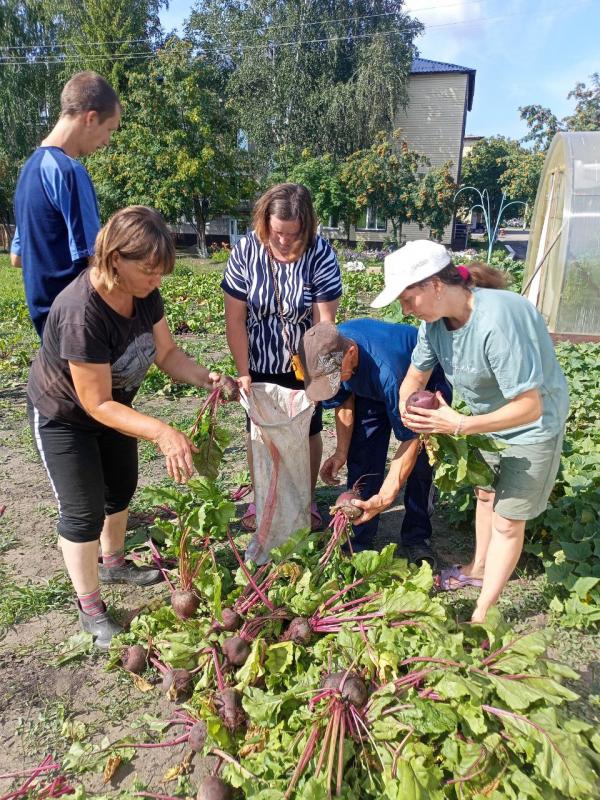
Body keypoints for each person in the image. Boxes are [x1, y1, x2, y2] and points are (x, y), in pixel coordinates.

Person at [27, 206, 226, 649]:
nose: (157, 280)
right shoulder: (82, 312)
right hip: (66, 418)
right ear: (116, 258)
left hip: (115, 407)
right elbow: (94, 402)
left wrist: (207, 377)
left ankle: (114, 562)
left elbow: (167, 353)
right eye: (149, 270)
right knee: (83, 512)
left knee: (121, 487)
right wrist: (160, 430)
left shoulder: (143, 294)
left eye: (161, 271)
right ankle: (91, 609)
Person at [369, 239, 569, 623]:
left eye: (408, 298)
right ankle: (478, 568)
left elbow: (530, 406)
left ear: (435, 286)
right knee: (485, 495)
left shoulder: (497, 321)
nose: (405, 308)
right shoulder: (433, 327)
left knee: (508, 520)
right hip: (483, 422)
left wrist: (458, 424)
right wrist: (407, 408)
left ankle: (483, 612)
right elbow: (415, 377)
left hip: (532, 427)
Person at [221, 183, 342, 531]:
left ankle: (305, 499)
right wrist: (243, 371)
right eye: (277, 233)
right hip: (258, 357)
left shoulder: (319, 253)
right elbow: (235, 319)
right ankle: (263, 500)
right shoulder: (245, 251)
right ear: (264, 223)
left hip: (304, 358)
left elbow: (324, 323)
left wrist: (318, 379)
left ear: (307, 228)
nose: (285, 241)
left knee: (308, 428)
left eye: (293, 234)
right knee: (260, 430)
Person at [299, 320, 451, 564]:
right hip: (371, 386)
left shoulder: (387, 373)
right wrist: (341, 452)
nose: (334, 383)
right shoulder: (329, 350)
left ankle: (416, 537)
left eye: (336, 377)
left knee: (420, 465)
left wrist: (386, 497)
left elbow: (412, 439)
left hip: (421, 386)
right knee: (364, 454)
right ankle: (359, 538)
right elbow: (344, 400)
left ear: (351, 352)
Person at [11, 71, 121, 338]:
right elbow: (95, 259)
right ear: (91, 118)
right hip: (77, 325)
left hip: (46, 322)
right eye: (109, 130)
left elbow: (17, 257)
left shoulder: (28, 171)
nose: (106, 142)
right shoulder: (69, 172)